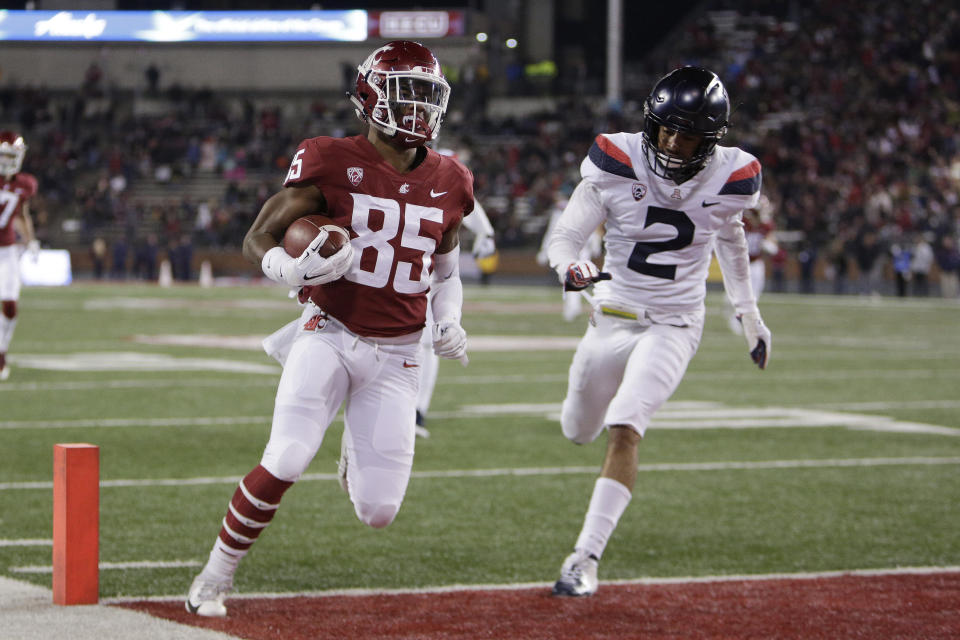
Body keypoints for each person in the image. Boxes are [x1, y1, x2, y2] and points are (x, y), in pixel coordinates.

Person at [185, 40, 473, 617]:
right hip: (330, 331)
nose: (418, 109)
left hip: (398, 353)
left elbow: (446, 271)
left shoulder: (453, 179)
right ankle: (215, 577)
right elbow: (257, 237)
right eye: (406, 93)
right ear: (370, 96)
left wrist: (449, 319)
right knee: (287, 456)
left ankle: (353, 442)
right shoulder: (328, 158)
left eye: (427, 96)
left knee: (378, 511)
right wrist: (288, 269)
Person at [546, 67, 772, 597]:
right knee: (578, 430)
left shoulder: (732, 177)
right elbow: (567, 235)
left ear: (710, 137)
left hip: (674, 323)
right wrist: (569, 268)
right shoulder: (615, 159)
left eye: (687, 132)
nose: (672, 141)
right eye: (666, 128)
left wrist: (749, 313)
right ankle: (586, 534)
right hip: (612, 317)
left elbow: (731, 240)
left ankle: (584, 559)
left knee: (625, 425)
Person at [414, 195, 495, 437]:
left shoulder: (441, 169)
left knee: (427, 343)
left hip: (420, 272)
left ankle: (417, 410)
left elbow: (461, 197)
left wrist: (485, 232)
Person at [0, 130, 39, 382]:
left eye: (11, 155)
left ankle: (1, 353)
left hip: (6, 251)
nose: (7, 160)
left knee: (11, 307)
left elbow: (22, 214)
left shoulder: (25, 184)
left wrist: (31, 240)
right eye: (4, 155)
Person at [726, 194, 777, 334]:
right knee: (740, 294)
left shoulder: (765, 226)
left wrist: (769, 245)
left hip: (756, 263)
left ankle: (742, 318)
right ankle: (736, 316)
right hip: (741, 262)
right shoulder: (742, 222)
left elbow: (773, 243)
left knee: (755, 295)